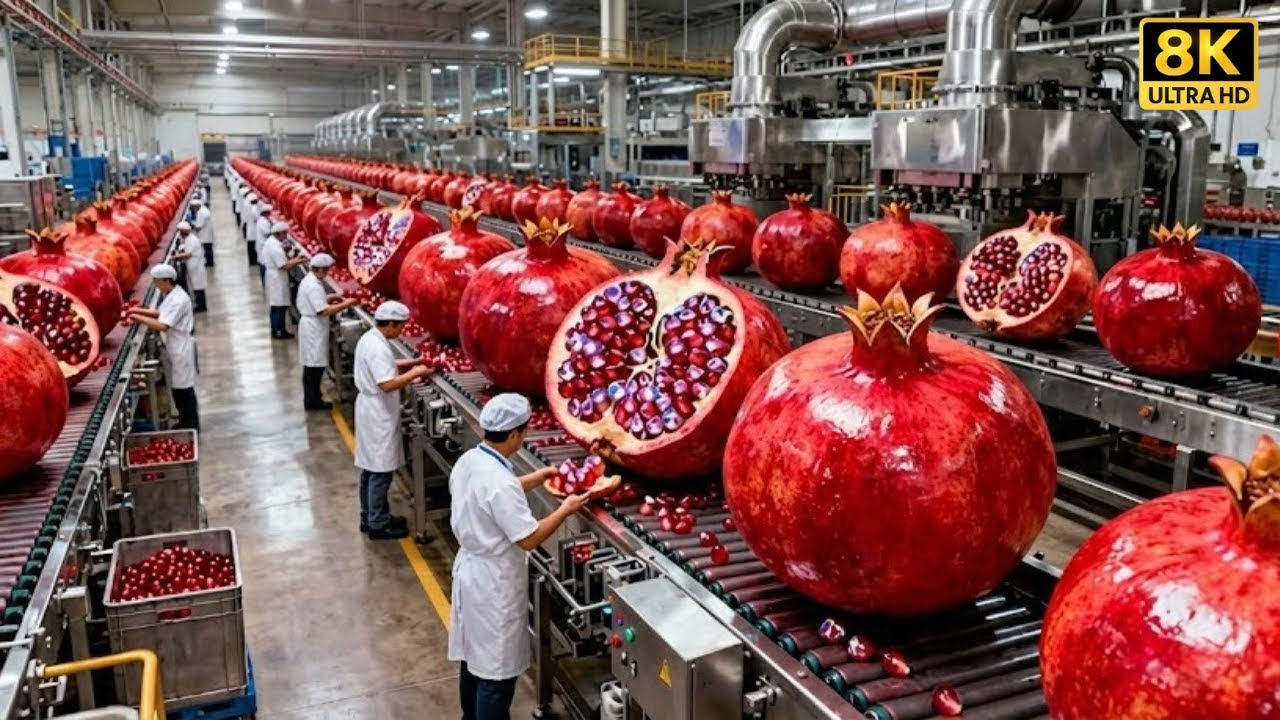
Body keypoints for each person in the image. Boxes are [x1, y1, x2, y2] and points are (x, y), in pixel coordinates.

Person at [447, 393, 593, 720]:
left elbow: (493, 495)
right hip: (494, 586)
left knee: (473, 660)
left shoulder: (471, 460)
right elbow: (528, 538)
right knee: (496, 676)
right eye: (523, 432)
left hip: (471, 574)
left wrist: (538, 478)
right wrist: (565, 508)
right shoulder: (499, 482)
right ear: (514, 435)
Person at [353, 301, 432, 540]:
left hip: (371, 409)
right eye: (400, 327)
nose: (402, 332)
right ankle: (378, 524)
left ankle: (370, 516)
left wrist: (409, 364)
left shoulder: (371, 339)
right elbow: (386, 384)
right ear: (390, 324)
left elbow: (384, 368)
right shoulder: (378, 347)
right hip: (377, 413)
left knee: (370, 468)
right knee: (381, 471)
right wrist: (415, 374)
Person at [128, 264, 199, 431]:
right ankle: (186, 419)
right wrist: (138, 311)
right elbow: (161, 313)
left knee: (184, 388)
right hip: (174, 346)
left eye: (157, 282)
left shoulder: (178, 299)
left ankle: (190, 423)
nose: (156, 285)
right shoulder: (172, 294)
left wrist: (137, 317)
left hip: (180, 347)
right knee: (179, 387)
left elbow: (163, 325)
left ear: (167, 280)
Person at [295, 252, 358, 410]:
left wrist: (330, 298)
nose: (328, 273)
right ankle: (313, 401)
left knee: (311, 365)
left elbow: (318, 302)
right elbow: (323, 311)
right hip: (313, 328)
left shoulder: (310, 280)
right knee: (314, 367)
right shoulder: (314, 286)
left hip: (312, 325)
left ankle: (312, 398)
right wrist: (347, 304)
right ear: (321, 269)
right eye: (327, 270)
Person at [261, 221, 306, 339]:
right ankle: (279, 331)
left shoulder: (272, 242)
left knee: (277, 305)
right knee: (279, 306)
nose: (286, 236)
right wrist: (299, 260)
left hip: (275, 276)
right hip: (276, 278)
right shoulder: (274, 247)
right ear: (279, 233)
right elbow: (284, 266)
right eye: (284, 233)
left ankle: (277, 329)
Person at [169, 222, 208, 312]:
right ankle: (199, 305)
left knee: (198, 287)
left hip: (196, 267)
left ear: (184, 231)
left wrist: (173, 257)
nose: (179, 234)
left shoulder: (191, 240)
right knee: (195, 287)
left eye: (180, 232)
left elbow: (188, 254)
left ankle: (201, 306)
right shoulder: (187, 239)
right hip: (192, 267)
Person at [191, 196, 215, 267]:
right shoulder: (203, 210)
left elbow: (198, 226)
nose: (194, 209)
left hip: (205, 233)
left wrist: (192, 226)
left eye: (194, 207)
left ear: (197, 206)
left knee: (207, 248)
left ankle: (209, 263)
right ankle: (210, 261)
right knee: (208, 247)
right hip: (207, 232)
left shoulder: (201, 213)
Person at [254, 204, 275, 284]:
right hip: (263, 246)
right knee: (264, 263)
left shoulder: (264, 220)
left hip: (263, 246)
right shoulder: (263, 222)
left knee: (264, 262)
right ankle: (264, 281)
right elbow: (268, 232)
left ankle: (264, 281)